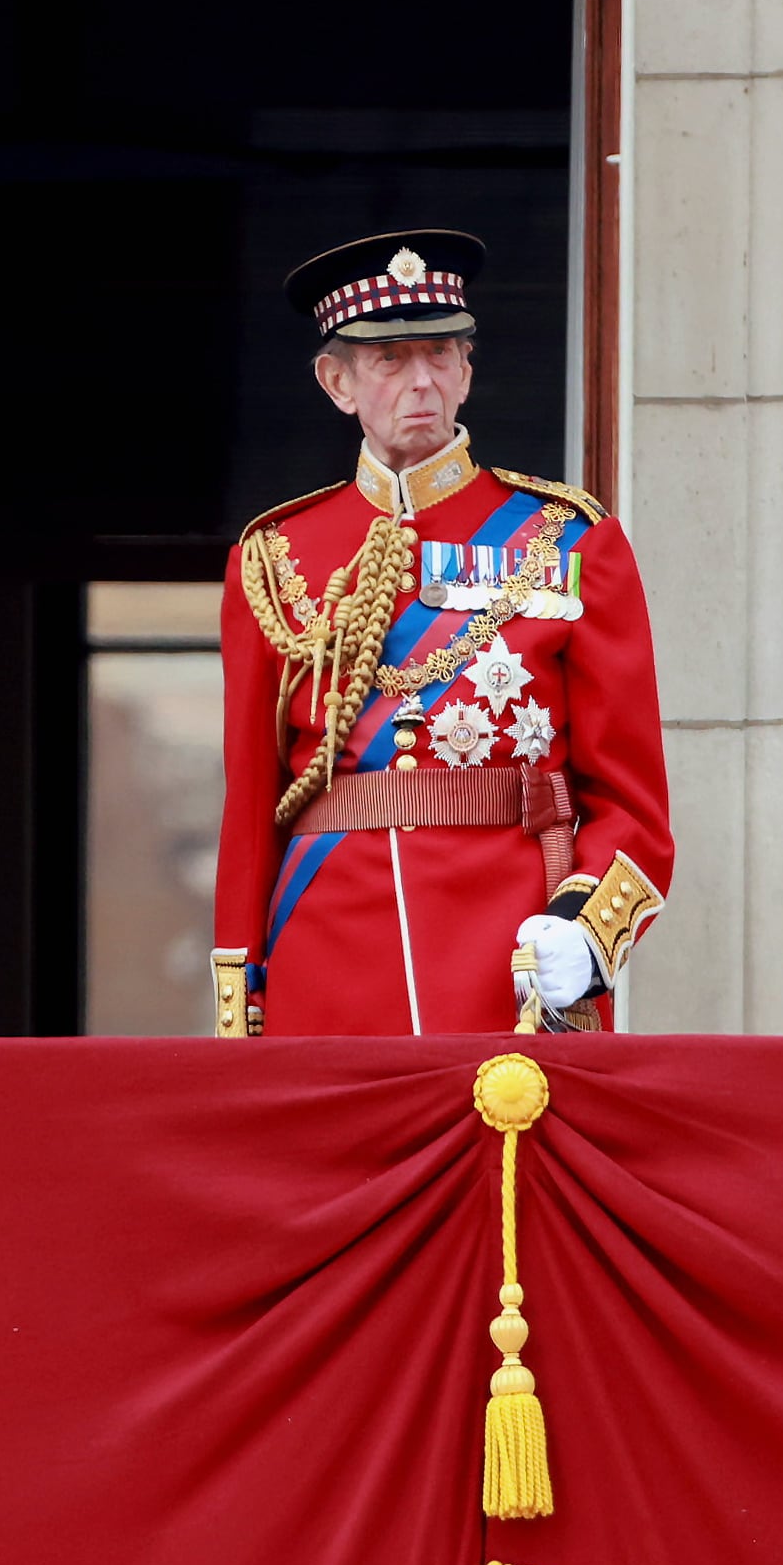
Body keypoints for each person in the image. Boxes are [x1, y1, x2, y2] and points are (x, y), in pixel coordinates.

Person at [209, 233, 670, 1037]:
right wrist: (242, 993)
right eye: (389, 360)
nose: (421, 380)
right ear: (336, 381)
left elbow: (633, 801)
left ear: (467, 370)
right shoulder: (276, 557)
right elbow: (252, 808)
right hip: (326, 952)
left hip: (509, 948)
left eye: (440, 354)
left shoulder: (567, 540)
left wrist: (587, 935)